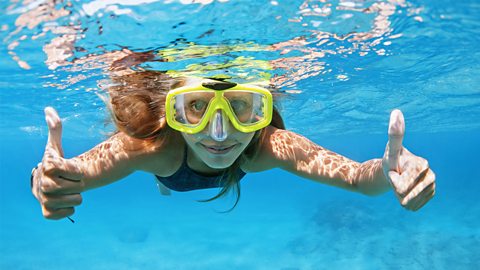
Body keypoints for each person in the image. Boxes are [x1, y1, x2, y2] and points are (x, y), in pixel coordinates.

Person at [30, 73, 436, 221]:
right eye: (196, 109)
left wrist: (389, 171)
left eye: (242, 107)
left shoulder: (269, 146)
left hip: (177, 165)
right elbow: (66, 175)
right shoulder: (150, 147)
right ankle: (165, 183)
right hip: (169, 169)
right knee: (164, 177)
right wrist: (44, 180)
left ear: (263, 110)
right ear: (171, 112)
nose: (220, 133)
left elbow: (356, 179)